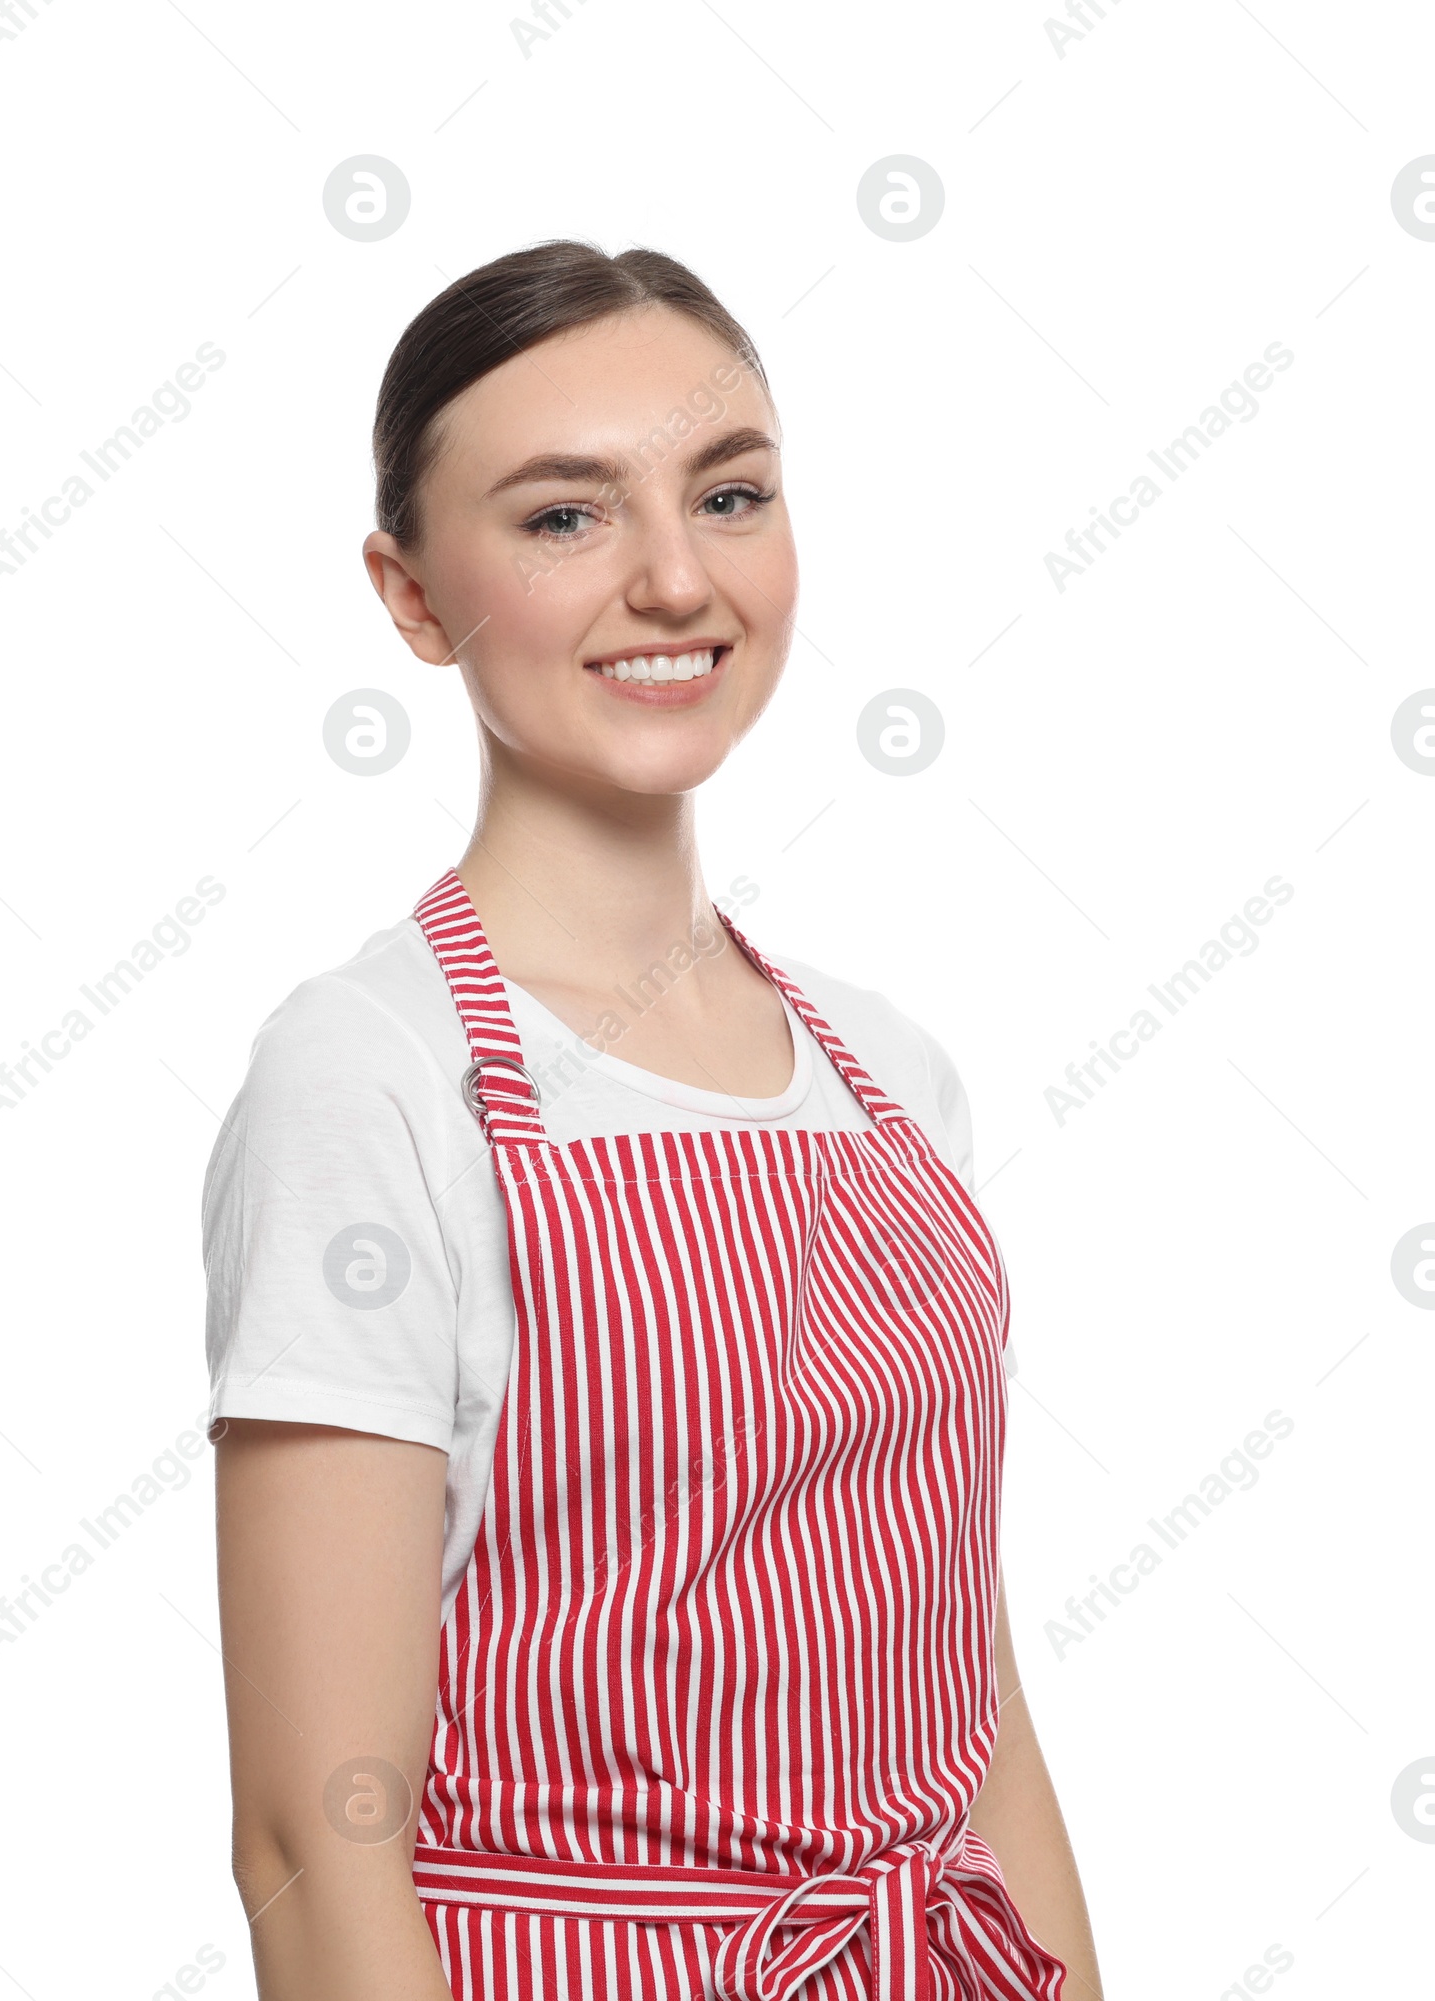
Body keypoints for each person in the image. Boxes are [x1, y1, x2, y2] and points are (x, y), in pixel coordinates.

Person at [204, 239, 1105, 1999]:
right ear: (407, 592)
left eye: (731, 492)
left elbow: (970, 1700)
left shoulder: (889, 1072)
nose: (676, 578)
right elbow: (315, 1836)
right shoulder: (373, 1077)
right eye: (564, 517)